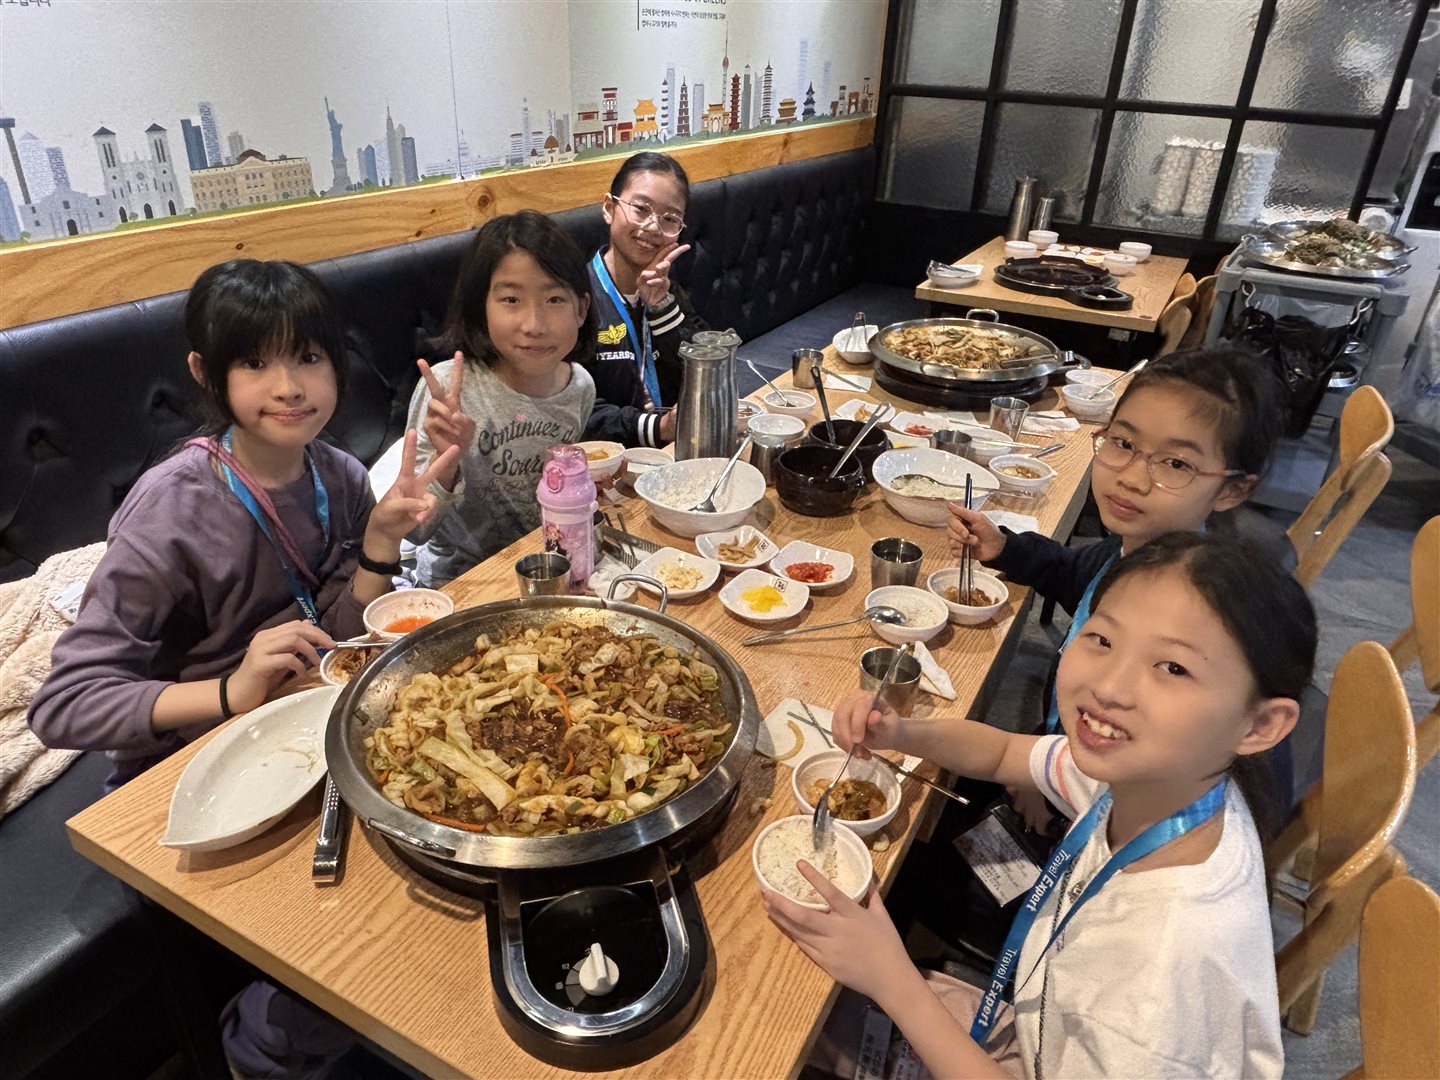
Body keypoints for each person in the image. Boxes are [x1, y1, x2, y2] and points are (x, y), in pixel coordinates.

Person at [766, 534, 1317, 1078]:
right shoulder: (1166, 778)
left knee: (774, 1021)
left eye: (1173, 668)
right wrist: (901, 732)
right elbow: (1007, 753)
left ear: (1260, 725)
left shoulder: (1164, 976)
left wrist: (893, 979)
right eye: (1102, 638)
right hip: (1040, 1028)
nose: (1110, 686)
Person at [29, 259, 455, 791]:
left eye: (308, 357)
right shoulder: (169, 512)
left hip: (306, 726)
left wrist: (381, 542)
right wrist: (231, 689)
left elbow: (338, 641)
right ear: (204, 371)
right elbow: (64, 705)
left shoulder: (341, 476)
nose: (289, 388)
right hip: (186, 765)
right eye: (254, 362)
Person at [949, 347, 1287, 739]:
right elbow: (1073, 575)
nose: (1132, 478)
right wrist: (1005, 549)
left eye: (1177, 464)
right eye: (1123, 443)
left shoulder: (1196, 619)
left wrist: (1042, 772)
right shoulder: (1128, 551)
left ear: (1232, 490)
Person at [407, 210, 597, 588]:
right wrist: (446, 464)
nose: (534, 324)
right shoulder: (449, 390)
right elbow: (415, 530)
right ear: (482, 307)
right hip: (462, 583)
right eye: (511, 299)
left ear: (581, 309)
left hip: (546, 571)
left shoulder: (580, 387)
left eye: (554, 299)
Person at [583, 151, 710, 447]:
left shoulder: (668, 291)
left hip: (675, 451)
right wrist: (658, 428)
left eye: (670, 218)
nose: (653, 227)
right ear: (609, 208)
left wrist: (661, 308)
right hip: (608, 461)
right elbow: (570, 407)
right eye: (641, 208)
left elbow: (703, 372)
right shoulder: (575, 297)